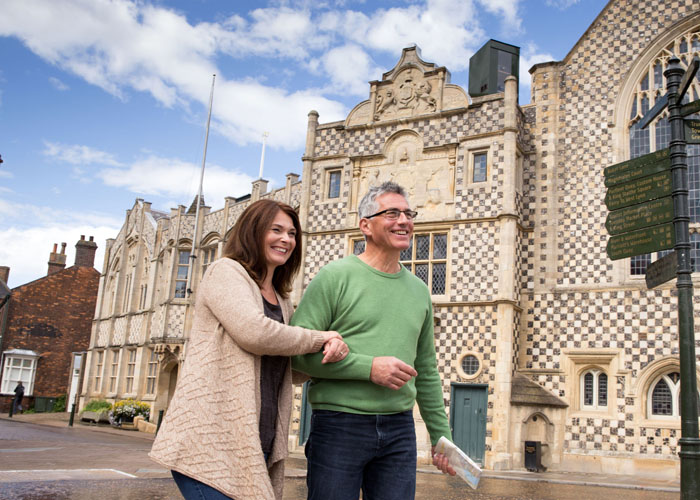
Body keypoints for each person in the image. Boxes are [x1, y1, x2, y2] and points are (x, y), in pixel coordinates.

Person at [149, 199, 348, 500]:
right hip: (211, 440)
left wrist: (335, 348)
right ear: (253, 232)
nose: (286, 239)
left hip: (255, 441)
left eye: (292, 233)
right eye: (276, 230)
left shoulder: (282, 299)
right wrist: (320, 338)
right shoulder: (225, 272)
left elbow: (290, 368)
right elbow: (254, 333)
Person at [292, 181, 455, 500]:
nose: (405, 221)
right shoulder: (334, 277)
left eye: (409, 214)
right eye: (392, 213)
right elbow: (296, 357)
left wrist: (441, 436)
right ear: (365, 225)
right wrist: (369, 368)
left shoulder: (420, 291)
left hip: (400, 430)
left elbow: (427, 370)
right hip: (339, 425)